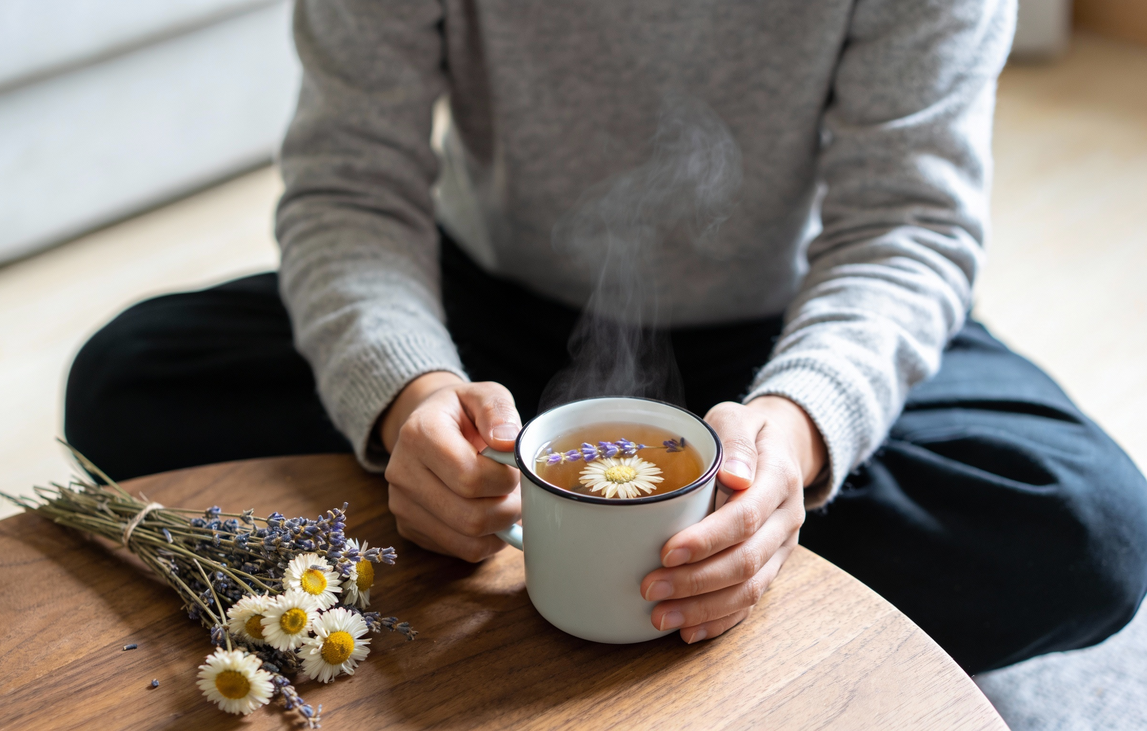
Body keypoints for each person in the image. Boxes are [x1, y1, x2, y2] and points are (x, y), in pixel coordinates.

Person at [64, 0, 1147, 674]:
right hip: (476, 317)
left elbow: (905, 229)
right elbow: (349, 182)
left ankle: (675, 561)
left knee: (1086, 525)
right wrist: (405, 396)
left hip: (779, 342)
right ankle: (557, 543)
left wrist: (797, 433)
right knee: (128, 379)